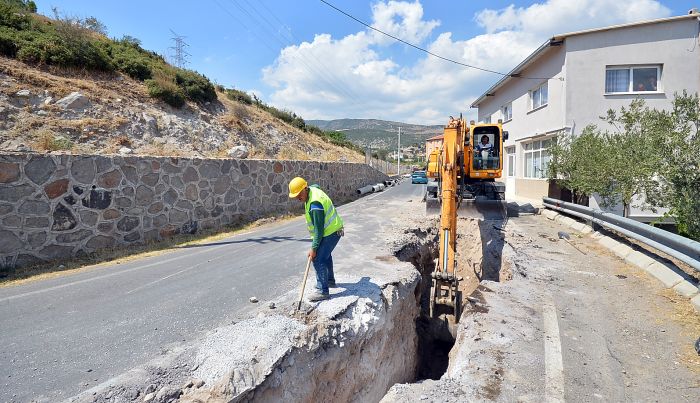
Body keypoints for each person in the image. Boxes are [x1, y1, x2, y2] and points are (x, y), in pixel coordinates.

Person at [288, 177, 344, 302]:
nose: (298, 197)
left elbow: (319, 231)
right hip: (334, 229)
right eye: (295, 195)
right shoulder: (312, 189)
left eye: (299, 194)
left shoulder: (315, 205)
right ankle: (329, 281)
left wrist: (313, 249)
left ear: (305, 189)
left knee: (318, 258)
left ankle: (322, 290)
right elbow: (316, 185)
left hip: (331, 232)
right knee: (326, 255)